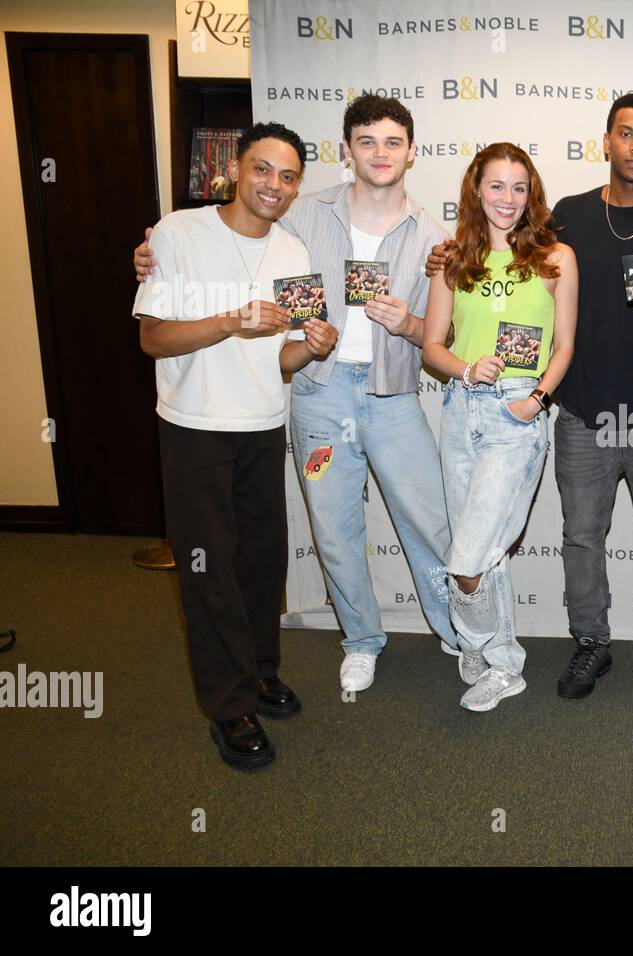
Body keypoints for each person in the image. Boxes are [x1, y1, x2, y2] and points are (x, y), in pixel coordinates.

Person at [137, 96, 463, 696]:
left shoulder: (435, 239)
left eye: (394, 143)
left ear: (412, 154)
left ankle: (458, 632)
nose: (381, 153)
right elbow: (231, 239)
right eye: (368, 141)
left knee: (431, 525)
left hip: (392, 396)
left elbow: (445, 337)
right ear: (348, 151)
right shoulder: (297, 218)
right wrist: (153, 258)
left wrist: (410, 325)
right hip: (318, 392)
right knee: (335, 531)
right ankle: (362, 641)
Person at [428, 94, 633, 710]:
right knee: (581, 539)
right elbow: (509, 266)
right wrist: (446, 259)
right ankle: (592, 641)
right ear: (606, 141)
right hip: (581, 412)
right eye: (626, 134)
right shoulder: (568, 216)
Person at [133, 122, 339, 770]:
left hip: (260, 424)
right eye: (262, 169)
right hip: (194, 425)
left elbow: (282, 360)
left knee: (260, 563)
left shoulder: (294, 255)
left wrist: (315, 345)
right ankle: (228, 709)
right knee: (207, 569)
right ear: (235, 169)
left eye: (286, 175)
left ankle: (257, 674)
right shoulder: (176, 234)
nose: (273, 185)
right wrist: (228, 320)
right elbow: (153, 339)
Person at [422, 143, 576, 711]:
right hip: (463, 408)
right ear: (476, 189)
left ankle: (491, 653)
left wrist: (536, 398)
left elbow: (565, 346)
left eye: (518, 187)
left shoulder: (556, 257)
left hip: (517, 415)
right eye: (496, 186)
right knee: (485, 554)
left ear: (530, 193)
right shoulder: (452, 260)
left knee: (466, 561)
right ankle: (491, 655)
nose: (507, 199)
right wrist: (466, 367)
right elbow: (432, 347)